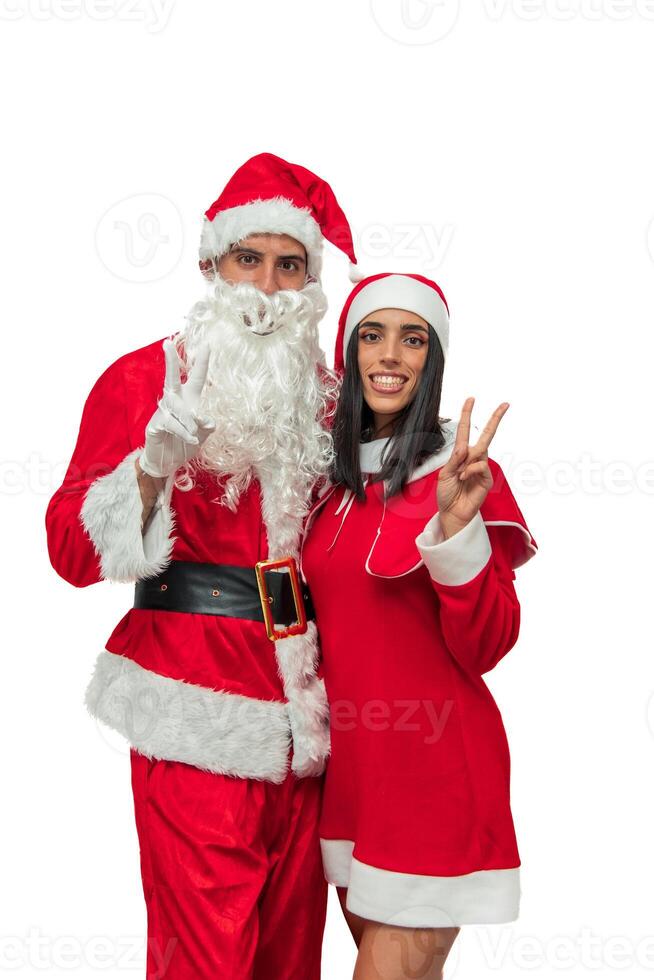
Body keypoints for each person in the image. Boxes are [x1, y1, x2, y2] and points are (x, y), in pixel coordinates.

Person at [45, 152, 359, 979]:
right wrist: (151, 467)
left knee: (290, 962)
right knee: (207, 963)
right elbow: (70, 554)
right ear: (209, 266)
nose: (266, 283)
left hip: (307, 731)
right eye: (247, 259)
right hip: (195, 714)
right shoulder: (143, 378)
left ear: (311, 281)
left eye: (288, 264)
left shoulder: (330, 400)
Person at [299, 272, 539, 979]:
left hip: (435, 775)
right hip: (351, 781)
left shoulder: (459, 475)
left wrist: (458, 533)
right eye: (372, 336)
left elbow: (488, 643)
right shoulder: (328, 488)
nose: (390, 355)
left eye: (413, 339)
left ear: (431, 359)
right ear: (349, 354)